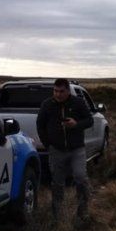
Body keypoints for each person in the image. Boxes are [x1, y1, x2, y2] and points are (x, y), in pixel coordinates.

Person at [36, 78, 93, 222]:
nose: (58, 94)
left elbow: (90, 120)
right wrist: (48, 144)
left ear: (68, 90)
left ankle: (82, 212)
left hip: (76, 149)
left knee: (80, 177)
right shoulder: (47, 105)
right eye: (55, 91)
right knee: (57, 182)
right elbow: (40, 125)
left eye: (61, 91)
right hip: (56, 150)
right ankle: (57, 215)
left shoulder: (78, 102)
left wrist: (76, 124)